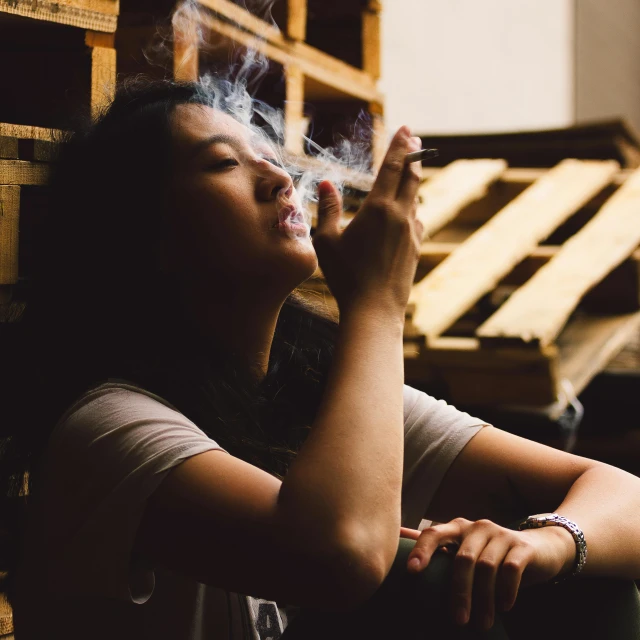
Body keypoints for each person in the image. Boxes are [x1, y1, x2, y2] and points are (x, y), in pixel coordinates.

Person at [1, 77, 639, 640]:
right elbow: (342, 557)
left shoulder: (306, 389)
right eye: (223, 164)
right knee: (424, 586)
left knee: (578, 579)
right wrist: (378, 304)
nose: (282, 178)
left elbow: (625, 496)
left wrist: (547, 542)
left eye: (271, 158)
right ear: (150, 238)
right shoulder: (106, 427)